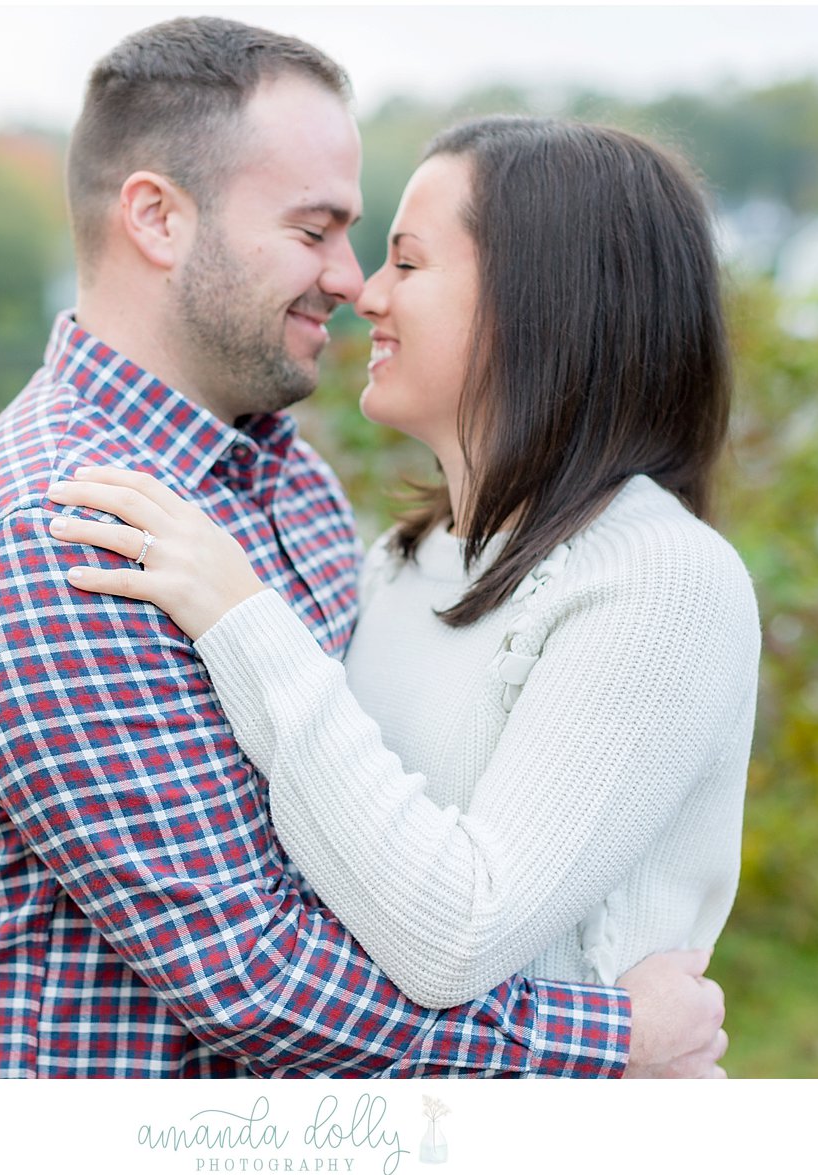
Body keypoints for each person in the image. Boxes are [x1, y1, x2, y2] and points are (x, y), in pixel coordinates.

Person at [0, 15, 725, 1077]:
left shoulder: (291, 486)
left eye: (368, 242)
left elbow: (373, 846)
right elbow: (254, 976)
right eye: (313, 228)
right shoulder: (62, 529)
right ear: (156, 218)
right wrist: (610, 1043)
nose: (350, 279)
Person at [48, 116, 760, 1010]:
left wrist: (241, 617)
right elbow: (333, 858)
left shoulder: (660, 580)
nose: (364, 293)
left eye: (408, 264)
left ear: (542, 299)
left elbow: (457, 939)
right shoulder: (405, 559)